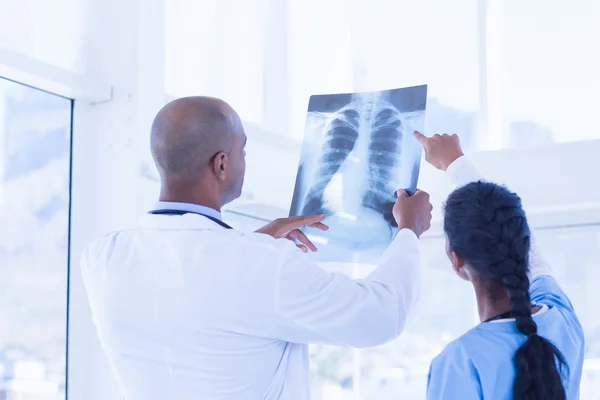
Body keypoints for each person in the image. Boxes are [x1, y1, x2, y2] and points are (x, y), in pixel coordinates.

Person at [80, 96, 433, 400]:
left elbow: (191, 285)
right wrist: (408, 231)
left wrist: (254, 243)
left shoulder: (101, 258)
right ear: (221, 164)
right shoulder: (264, 266)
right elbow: (378, 318)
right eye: (242, 151)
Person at [414, 132, 585, 400]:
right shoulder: (563, 320)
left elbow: (526, 246)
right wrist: (456, 163)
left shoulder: (461, 362)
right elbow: (532, 254)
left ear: (455, 258)